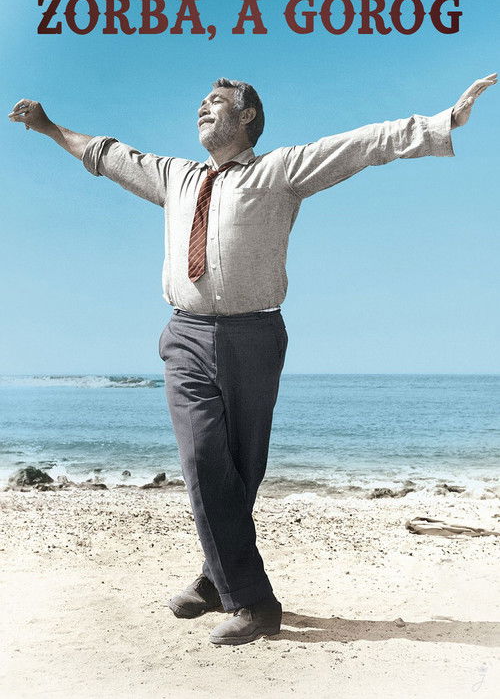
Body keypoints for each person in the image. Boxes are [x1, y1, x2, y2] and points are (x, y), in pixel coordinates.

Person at [8, 72, 496, 646]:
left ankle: (215, 580)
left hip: (255, 336)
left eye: (216, 102)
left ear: (246, 117)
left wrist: (444, 122)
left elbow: (363, 144)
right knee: (202, 458)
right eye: (201, 101)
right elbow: (108, 154)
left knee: (242, 469)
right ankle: (256, 603)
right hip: (186, 334)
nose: (202, 107)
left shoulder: (281, 171)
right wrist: (48, 127)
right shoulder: (175, 176)